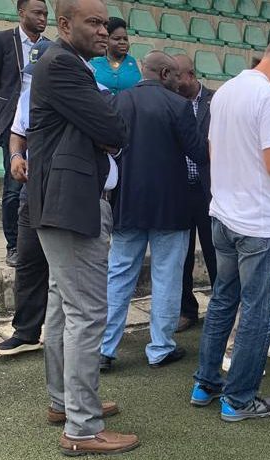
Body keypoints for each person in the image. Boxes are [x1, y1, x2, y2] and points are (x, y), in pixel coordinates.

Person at [190, 37, 270, 422]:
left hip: (223, 214)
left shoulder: (226, 91)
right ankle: (239, 399)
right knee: (257, 312)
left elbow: (215, 151)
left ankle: (206, 383)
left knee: (222, 301)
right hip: (258, 224)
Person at [26, 0, 136, 456]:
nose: (104, 31)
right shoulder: (64, 65)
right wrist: (104, 128)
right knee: (87, 313)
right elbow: (113, 128)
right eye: (93, 23)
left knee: (63, 307)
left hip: (62, 205)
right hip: (72, 206)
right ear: (65, 24)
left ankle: (65, 403)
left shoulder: (65, 63)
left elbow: (103, 128)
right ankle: (83, 428)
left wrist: (101, 128)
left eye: (105, 23)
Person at [99, 51, 208, 372]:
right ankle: (160, 348)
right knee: (166, 277)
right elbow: (198, 152)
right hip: (171, 206)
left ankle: (105, 348)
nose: (179, 81)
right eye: (175, 75)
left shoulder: (117, 102)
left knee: (119, 275)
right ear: (164, 74)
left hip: (127, 202)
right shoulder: (178, 105)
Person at [0, 40, 53, 357]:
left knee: (65, 269)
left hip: (64, 191)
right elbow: (17, 132)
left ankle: (66, 334)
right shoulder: (28, 96)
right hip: (32, 189)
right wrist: (16, 155)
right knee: (28, 261)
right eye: (31, 72)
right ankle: (26, 332)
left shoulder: (82, 92)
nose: (33, 77)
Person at [0, 0, 48, 267]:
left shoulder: (49, 47)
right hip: (12, 126)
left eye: (45, 13)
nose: (42, 18)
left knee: (40, 183)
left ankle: (36, 243)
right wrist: (2, 121)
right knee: (12, 188)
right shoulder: (1, 40)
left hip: (42, 124)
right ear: (21, 13)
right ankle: (13, 245)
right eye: (37, 12)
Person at [173, 54, 216, 334]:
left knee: (215, 253)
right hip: (180, 190)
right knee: (182, 255)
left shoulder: (216, 101)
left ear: (190, 74)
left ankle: (220, 308)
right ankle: (187, 311)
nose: (174, 82)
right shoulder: (171, 101)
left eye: (178, 77)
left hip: (209, 190)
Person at [90, 17, 141, 94]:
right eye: (117, 39)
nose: (122, 42)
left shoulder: (137, 65)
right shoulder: (93, 65)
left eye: (125, 39)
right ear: (106, 40)